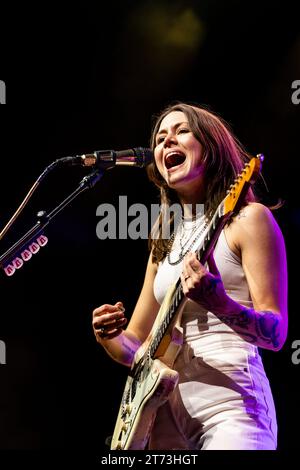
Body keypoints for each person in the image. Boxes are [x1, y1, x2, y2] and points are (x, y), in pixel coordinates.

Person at [92, 102, 288, 450]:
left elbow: (274, 333)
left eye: (181, 131)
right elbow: (135, 345)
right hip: (163, 418)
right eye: (161, 138)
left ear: (211, 148)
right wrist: (110, 336)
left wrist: (219, 302)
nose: (167, 143)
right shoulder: (164, 239)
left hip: (232, 408)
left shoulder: (247, 219)